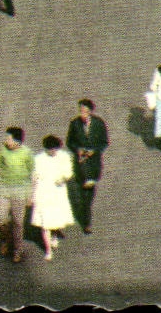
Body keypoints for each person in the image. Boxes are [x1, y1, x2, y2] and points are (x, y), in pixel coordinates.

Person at [0, 127, 35, 262]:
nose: (6, 140)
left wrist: (31, 195)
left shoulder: (26, 154)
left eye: (8, 138)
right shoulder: (3, 150)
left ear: (17, 141)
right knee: (1, 219)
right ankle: (6, 240)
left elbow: (33, 174)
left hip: (20, 191)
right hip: (4, 189)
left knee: (18, 223)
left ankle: (17, 250)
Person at [65, 99, 108, 233]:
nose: (82, 114)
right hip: (80, 164)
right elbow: (69, 142)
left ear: (90, 112)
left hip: (93, 164)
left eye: (84, 111)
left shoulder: (99, 124)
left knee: (89, 194)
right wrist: (77, 150)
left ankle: (86, 215)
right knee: (83, 194)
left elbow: (104, 142)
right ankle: (86, 221)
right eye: (80, 111)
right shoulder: (74, 124)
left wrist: (94, 150)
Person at [29, 135, 74, 260]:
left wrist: (63, 179)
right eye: (51, 149)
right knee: (45, 223)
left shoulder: (64, 157)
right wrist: (32, 195)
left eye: (55, 149)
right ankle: (48, 251)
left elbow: (69, 173)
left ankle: (54, 236)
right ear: (46, 148)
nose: (53, 151)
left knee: (56, 219)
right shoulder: (38, 159)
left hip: (58, 193)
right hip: (43, 193)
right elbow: (34, 178)